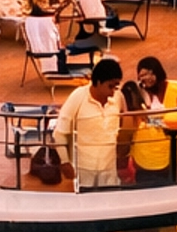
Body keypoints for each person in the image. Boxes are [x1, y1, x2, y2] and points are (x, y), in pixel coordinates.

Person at [129, 55, 177, 185]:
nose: (147, 78)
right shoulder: (138, 93)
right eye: (143, 75)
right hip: (151, 151)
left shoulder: (175, 87)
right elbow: (140, 120)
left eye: (150, 74)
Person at [54, 57, 125, 190]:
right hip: (83, 170)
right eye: (110, 86)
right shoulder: (77, 97)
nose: (113, 92)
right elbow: (59, 133)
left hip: (109, 169)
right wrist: (65, 161)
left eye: (115, 87)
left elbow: (124, 123)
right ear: (98, 82)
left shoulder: (118, 97)